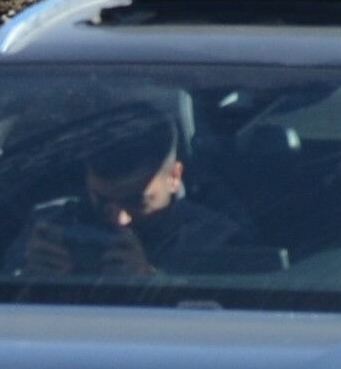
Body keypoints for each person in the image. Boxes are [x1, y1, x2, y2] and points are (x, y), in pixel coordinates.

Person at [17, 102, 250, 282]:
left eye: (137, 201)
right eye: (102, 200)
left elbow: (227, 326)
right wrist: (28, 279)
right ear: (87, 178)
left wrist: (150, 282)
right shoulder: (48, 228)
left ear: (174, 177)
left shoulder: (217, 242)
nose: (119, 219)